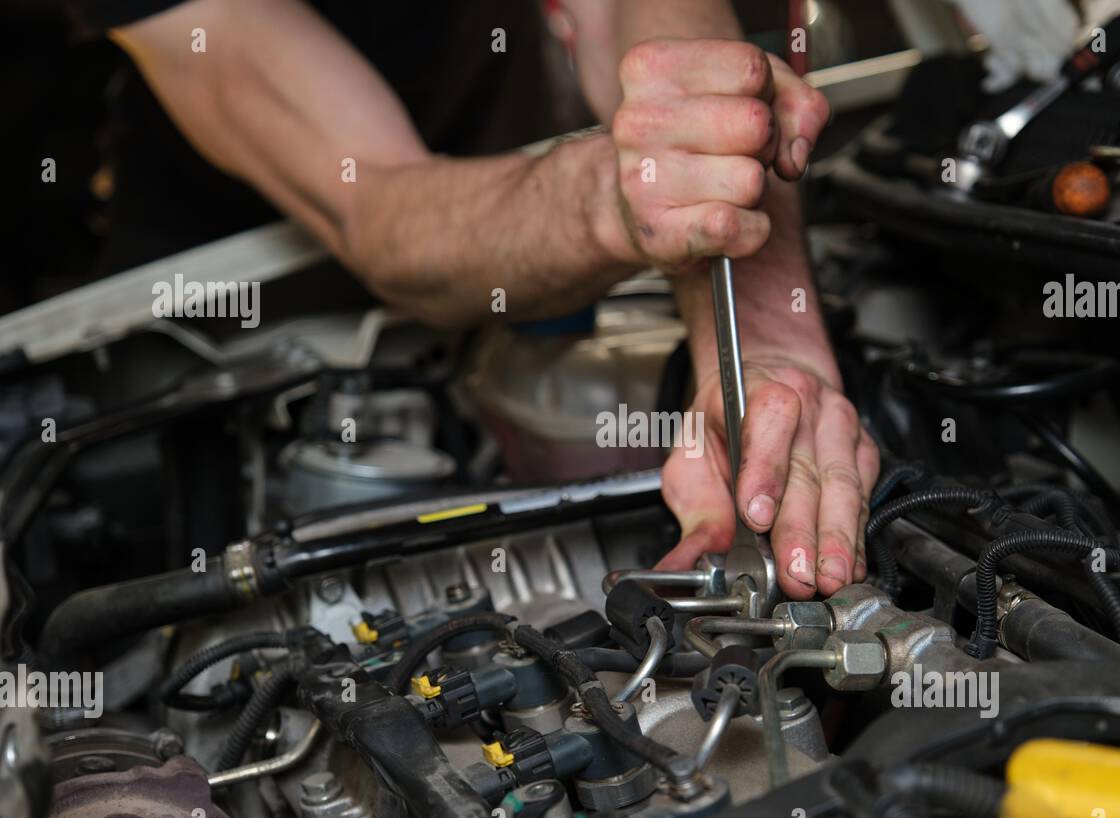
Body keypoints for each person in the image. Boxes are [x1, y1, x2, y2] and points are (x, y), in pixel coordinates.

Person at [66, 0, 880, 599]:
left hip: (510, 189)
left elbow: (658, 37)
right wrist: (618, 195)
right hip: (233, 285)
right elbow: (375, 199)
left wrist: (769, 351)